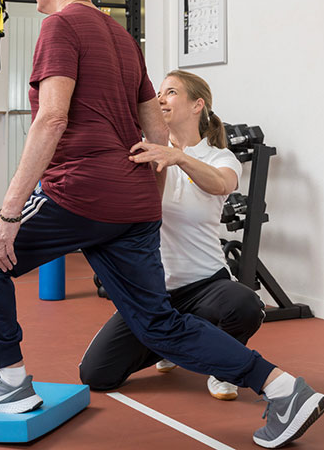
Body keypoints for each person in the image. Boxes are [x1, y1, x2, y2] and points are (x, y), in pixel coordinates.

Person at [0, 0, 324, 448]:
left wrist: (10, 212)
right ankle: (283, 388)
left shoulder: (60, 26)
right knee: (157, 325)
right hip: (130, 203)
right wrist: (143, 207)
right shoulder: (123, 38)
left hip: (81, 191)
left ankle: (13, 381)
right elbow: (155, 132)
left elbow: (52, 118)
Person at [79, 70, 266, 402]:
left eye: (171, 92)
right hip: (152, 293)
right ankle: (172, 342)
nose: (160, 99)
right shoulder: (146, 151)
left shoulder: (220, 158)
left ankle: (223, 368)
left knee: (245, 304)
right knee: (96, 374)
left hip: (206, 284)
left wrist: (179, 156)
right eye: (159, 94)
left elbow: (222, 184)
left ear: (198, 105)